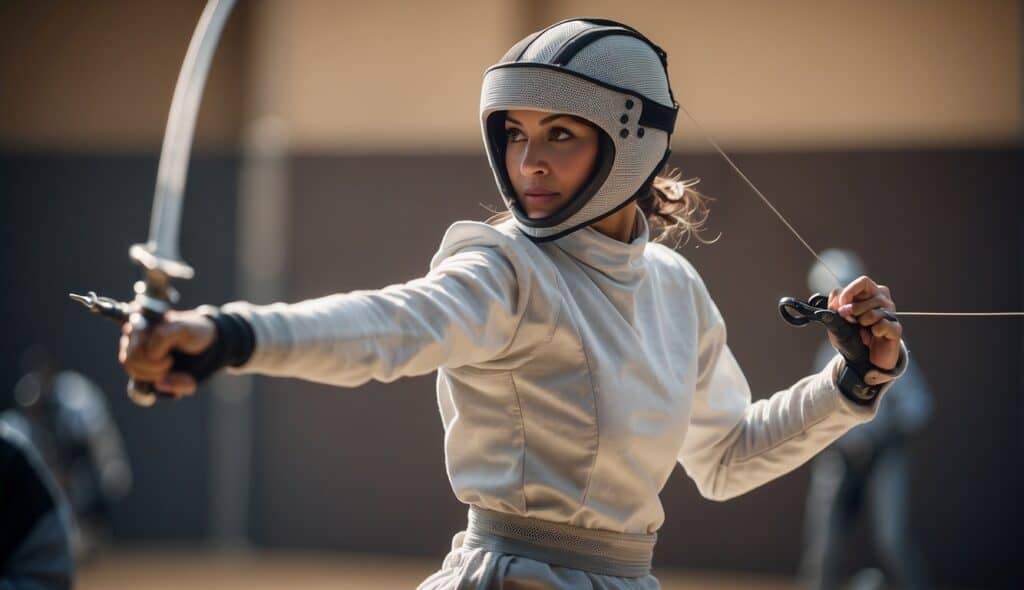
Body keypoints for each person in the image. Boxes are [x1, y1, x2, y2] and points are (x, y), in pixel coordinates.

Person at [119, 18, 908, 589]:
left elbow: (726, 458)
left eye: (561, 133)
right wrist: (228, 334)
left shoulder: (674, 288)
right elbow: (388, 325)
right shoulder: (503, 268)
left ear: (628, 140)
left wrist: (851, 386)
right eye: (515, 132)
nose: (528, 161)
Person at [799, 250, 931, 590]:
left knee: (892, 538)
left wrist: (881, 434)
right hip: (839, 458)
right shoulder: (824, 356)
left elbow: (918, 404)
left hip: (884, 454)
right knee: (822, 543)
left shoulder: (887, 344)